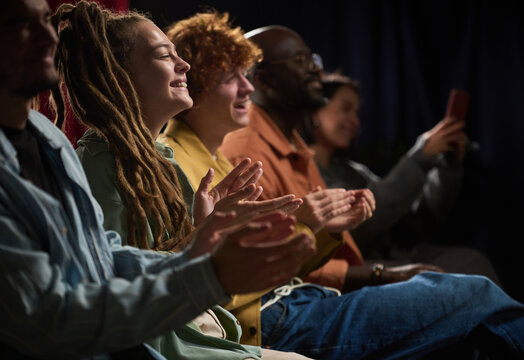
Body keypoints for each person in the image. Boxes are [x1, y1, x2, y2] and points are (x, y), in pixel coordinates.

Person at [0, 1, 315, 359]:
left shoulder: (45, 134)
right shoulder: (98, 162)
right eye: (19, 23)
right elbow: (50, 322)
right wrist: (208, 270)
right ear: (118, 74)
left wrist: (200, 246)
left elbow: (101, 254)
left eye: (46, 22)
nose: (47, 36)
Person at [218, 24, 524, 359]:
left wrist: (446, 165)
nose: (316, 68)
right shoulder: (247, 150)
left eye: (313, 58)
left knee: (469, 304)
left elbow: (410, 223)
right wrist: (380, 273)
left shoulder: (298, 150)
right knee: (474, 289)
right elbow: (266, 267)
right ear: (262, 80)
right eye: (301, 60)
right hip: (287, 308)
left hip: (312, 293)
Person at [157, 11, 379, 346]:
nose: (249, 87)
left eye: (245, 75)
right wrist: (305, 227)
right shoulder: (172, 162)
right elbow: (216, 286)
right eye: (232, 78)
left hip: (291, 301)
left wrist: (324, 226)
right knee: (468, 292)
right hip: (263, 320)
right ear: (196, 87)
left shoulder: (218, 160)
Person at [299, 71, 501, 285]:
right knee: (460, 271)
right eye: (346, 108)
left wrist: (448, 169)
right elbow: (361, 227)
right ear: (315, 112)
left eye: (357, 113)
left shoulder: (354, 171)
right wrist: (419, 158)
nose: (355, 121)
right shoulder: (300, 168)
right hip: (353, 267)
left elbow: (411, 226)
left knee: (471, 261)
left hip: (390, 256)